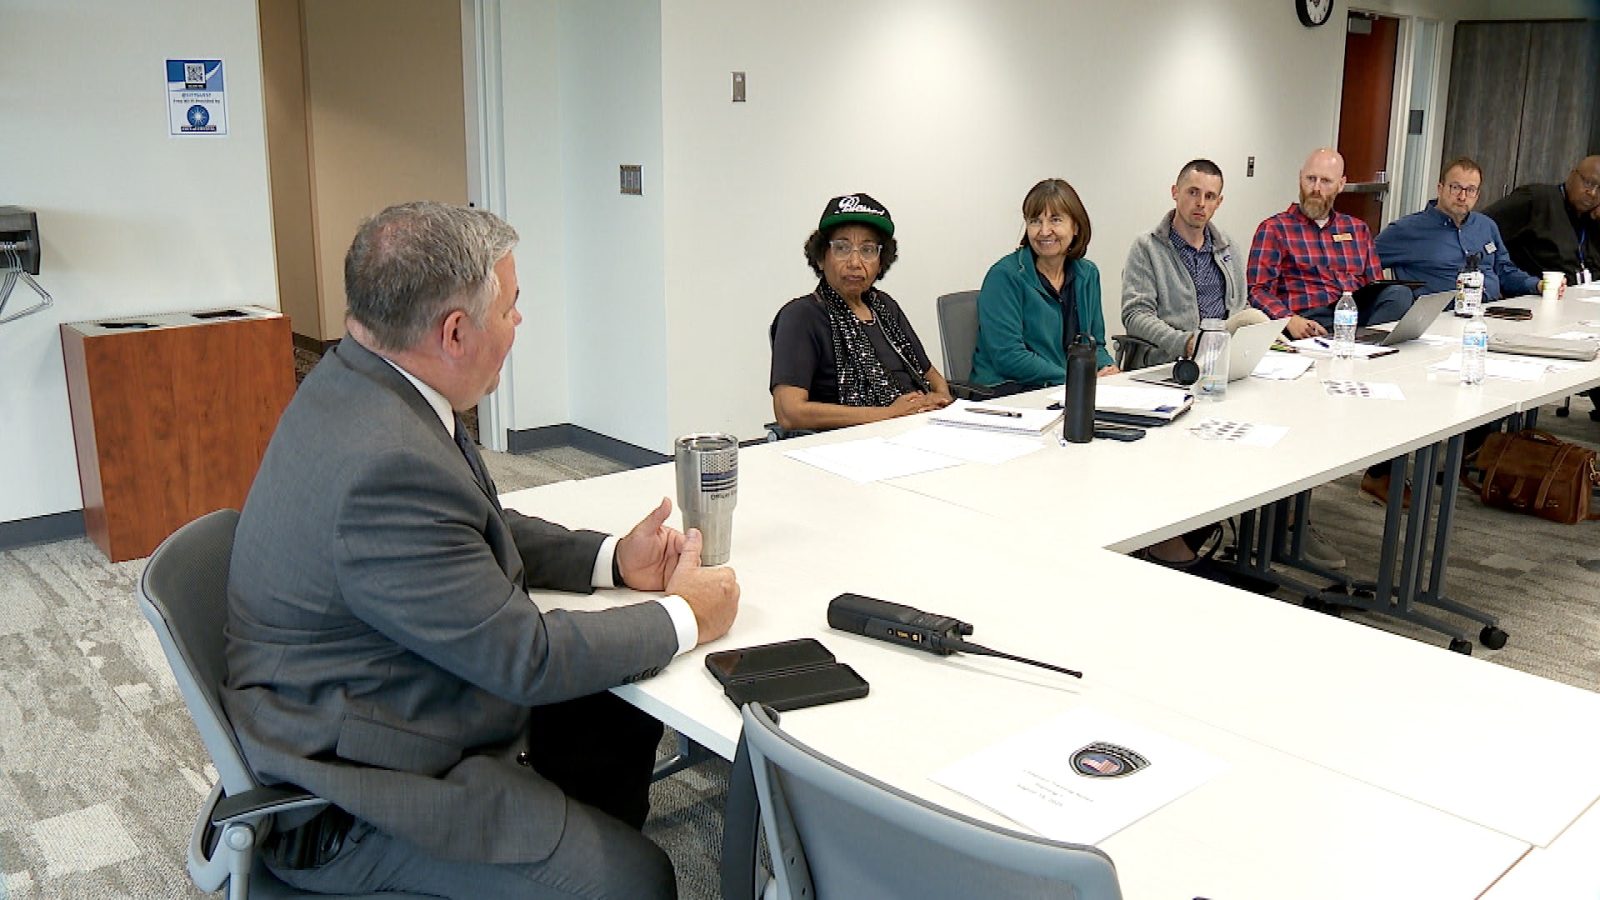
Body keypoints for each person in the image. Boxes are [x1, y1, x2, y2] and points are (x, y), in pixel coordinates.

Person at [221, 201, 740, 899]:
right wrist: (687, 614)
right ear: (456, 332)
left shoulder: (362, 383)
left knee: (613, 708)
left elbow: (470, 522)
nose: (519, 324)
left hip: (370, 696)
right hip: (356, 792)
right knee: (634, 880)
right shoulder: (383, 464)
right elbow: (526, 659)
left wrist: (611, 558)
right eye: (512, 309)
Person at [769, 193, 952, 431]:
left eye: (867, 250)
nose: (855, 262)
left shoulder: (884, 306)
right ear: (821, 258)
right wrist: (889, 415)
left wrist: (936, 401)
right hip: (852, 443)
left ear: (880, 261)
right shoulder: (802, 316)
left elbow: (932, 376)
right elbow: (789, 412)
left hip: (918, 427)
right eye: (842, 248)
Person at [1248, 148, 1412, 340]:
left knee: (1400, 295)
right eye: (1310, 179)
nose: (1316, 188)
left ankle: (1361, 344)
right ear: (1300, 178)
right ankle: (1361, 346)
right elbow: (1258, 291)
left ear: (1341, 184)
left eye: (1325, 181)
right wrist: (1289, 319)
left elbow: (1375, 288)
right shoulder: (1274, 229)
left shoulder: (1357, 230)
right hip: (1308, 319)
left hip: (1354, 317)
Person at [970, 178, 1118, 390]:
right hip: (1010, 392)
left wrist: (1108, 370)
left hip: (1065, 388)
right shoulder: (1004, 276)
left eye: (1055, 220)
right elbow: (1008, 356)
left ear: (1075, 226)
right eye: (1035, 221)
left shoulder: (1088, 274)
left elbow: (1095, 344)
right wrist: (1075, 379)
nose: (1044, 230)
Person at [1121, 158, 1265, 369]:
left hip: (1225, 361)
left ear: (1219, 202)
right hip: (1171, 363)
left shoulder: (1228, 247)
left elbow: (1240, 306)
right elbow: (1136, 316)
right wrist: (1187, 343)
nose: (1201, 203)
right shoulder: (1147, 247)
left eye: (1210, 196)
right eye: (1193, 192)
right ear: (1175, 192)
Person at [1376, 156, 1538, 301]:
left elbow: (1504, 272)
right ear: (1440, 188)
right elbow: (1363, 263)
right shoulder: (1406, 230)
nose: (1462, 197)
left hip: (1489, 313)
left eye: (1470, 190)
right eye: (1455, 188)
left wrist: (1538, 285)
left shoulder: (1486, 226)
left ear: (1477, 194)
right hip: (1440, 320)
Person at [1483, 155, 1600, 285]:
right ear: (1572, 175)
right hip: (1535, 294)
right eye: (1588, 183)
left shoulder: (1592, 219)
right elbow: (1481, 226)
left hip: (1583, 297)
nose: (1593, 193)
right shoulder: (1537, 199)